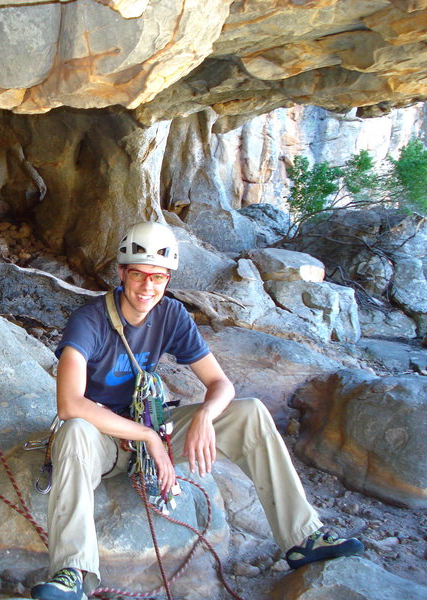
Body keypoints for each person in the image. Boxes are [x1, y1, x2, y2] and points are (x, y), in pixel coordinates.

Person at [30, 222, 363, 600]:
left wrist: (204, 416)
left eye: (158, 277)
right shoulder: (89, 321)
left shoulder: (170, 315)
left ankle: (303, 537)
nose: (147, 287)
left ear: (168, 278)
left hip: (151, 427)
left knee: (250, 412)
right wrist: (148, 437)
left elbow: (221, 384)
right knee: (74, 430)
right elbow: (70, 403)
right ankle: (72, 572)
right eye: (138, 275)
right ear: (122, 274)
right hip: (102, 438)